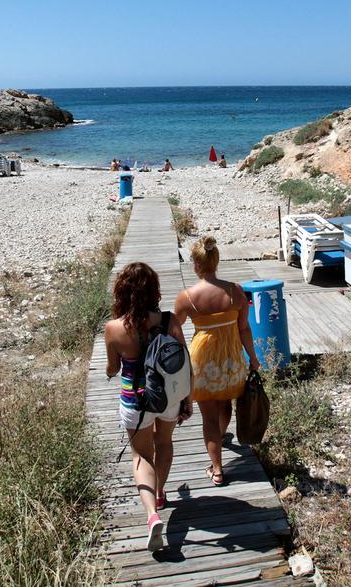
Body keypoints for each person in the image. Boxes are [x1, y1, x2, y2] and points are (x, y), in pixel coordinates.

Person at [106, 262, 191, 552]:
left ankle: (151, 514)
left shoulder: (114, 328)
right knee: (164, 443)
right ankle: (159, 493)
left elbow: (112, 367)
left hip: (135, 401)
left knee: (141, 456)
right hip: (168, 397)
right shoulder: (169, 321)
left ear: (122, 292)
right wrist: (187, 400)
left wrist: (111, 368)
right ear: (154, 290)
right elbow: (185, 364)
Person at [174, 237, 260, 486]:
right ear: (216, 261)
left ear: (196, 265)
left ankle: (217, 468)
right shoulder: (235, 291)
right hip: (231, 357)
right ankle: (221, 436)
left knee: (208, 416)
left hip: (202, 359)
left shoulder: (187, 297)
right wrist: (252, 358)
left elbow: (175, 329)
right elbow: (244, 329)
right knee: (225, 404)